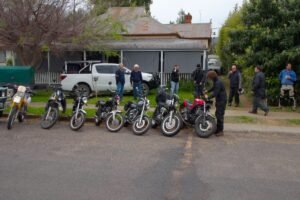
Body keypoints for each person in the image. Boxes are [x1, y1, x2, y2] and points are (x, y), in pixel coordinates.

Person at [206, 71, 227, 136]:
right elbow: (213, 88)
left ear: (212, 76)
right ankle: (218, 129)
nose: (209, 79)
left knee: (219, 115)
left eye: (209, 77)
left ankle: (221, 131)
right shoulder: (216, 81)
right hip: (219, 100)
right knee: (217, 114)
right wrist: (207, 91)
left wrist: (208, 97)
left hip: (222, 100)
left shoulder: (218, 82)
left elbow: (215, 93)